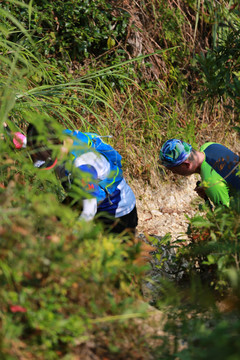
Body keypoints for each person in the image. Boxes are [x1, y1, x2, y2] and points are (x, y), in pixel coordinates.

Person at [26, 123, 138, 236]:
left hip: (116, 210)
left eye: (49, 160)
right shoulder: (58, 137)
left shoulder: (83, 167)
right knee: (50, 225)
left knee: (118, 251)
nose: (47, 163)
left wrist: (71, 236)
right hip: (80, 194)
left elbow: (89, 211)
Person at [159, 139, 240, 207]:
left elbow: (228, 220)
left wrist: (210, 189)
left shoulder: (212, 183)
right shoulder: (210, 146)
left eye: (174, 170)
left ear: (186, 164)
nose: (174, 173)